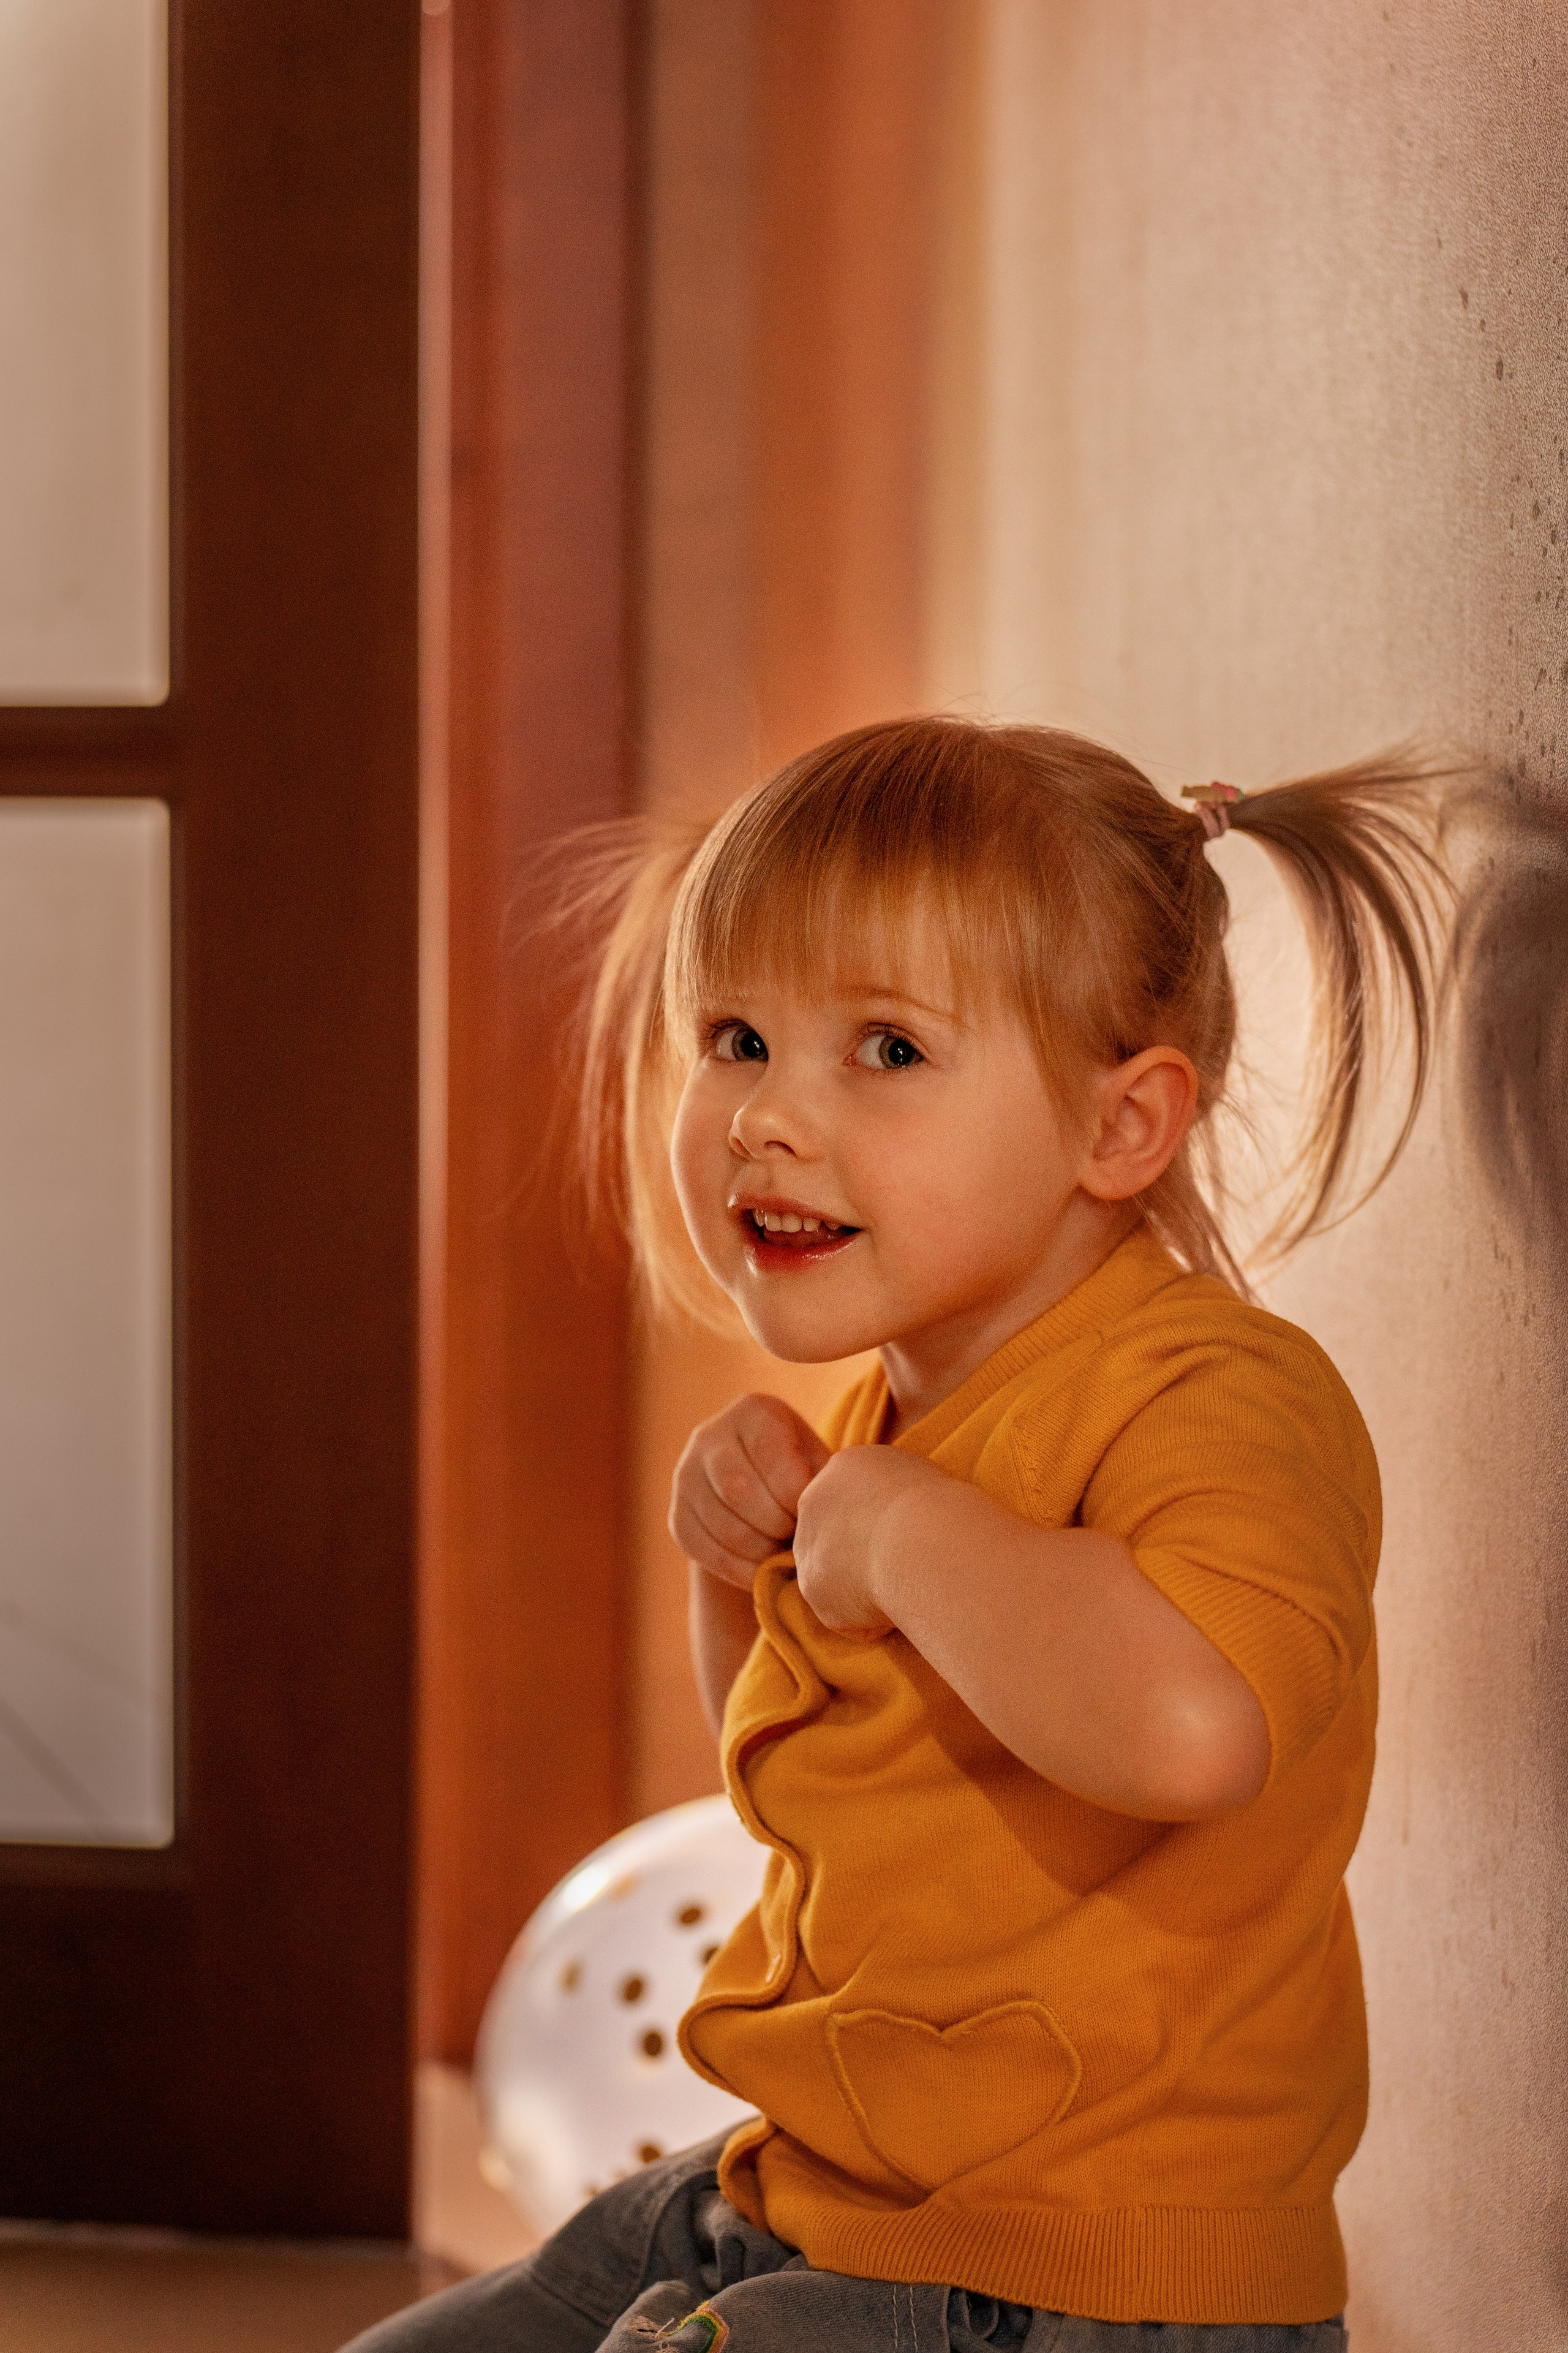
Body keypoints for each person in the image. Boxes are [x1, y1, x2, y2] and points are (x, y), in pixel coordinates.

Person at [350, 717, 1449, 2353]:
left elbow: (1197, 1725)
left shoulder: (1218, 1394)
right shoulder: (906, 1404)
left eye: (885, 1050)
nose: (768, 1117)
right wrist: (745, 1569)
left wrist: (909, 1533)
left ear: (1121, 1128)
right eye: (735, 1035)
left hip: (1075, 2279)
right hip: (820, 2191)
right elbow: (807, 1775)